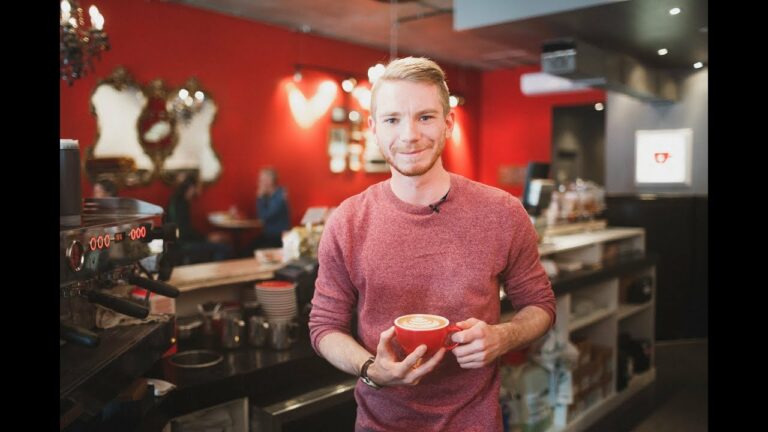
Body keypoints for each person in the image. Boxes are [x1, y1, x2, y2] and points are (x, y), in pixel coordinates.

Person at [308, 57, 556, 431]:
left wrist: (503, 336)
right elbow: (324, 326)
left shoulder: (502, 213)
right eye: (393, 119)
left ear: (448, 124)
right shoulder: (348, 221)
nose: (409, 134)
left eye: (425, 117)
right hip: (379, 423)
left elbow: (540, 305)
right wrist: (371, 369)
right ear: (375, 130)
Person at [166, 174, 233, 264]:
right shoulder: (180, 204)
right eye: (199, 186)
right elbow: (184, 233)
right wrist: (207, 238)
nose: (201, 189)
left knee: (223, 242)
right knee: (224, 248)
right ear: (192, 187)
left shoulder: (179, 201)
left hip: (179, 244)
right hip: (182, 245)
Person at [250, 167, 290, 251]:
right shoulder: (268, 196)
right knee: (245, 250)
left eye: (262, 180)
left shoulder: (280, 195)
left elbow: (264, 217)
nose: (259, 183)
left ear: (270, 181)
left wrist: (259, 198)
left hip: (278, 237)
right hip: (268, 235)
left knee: (252, 251)